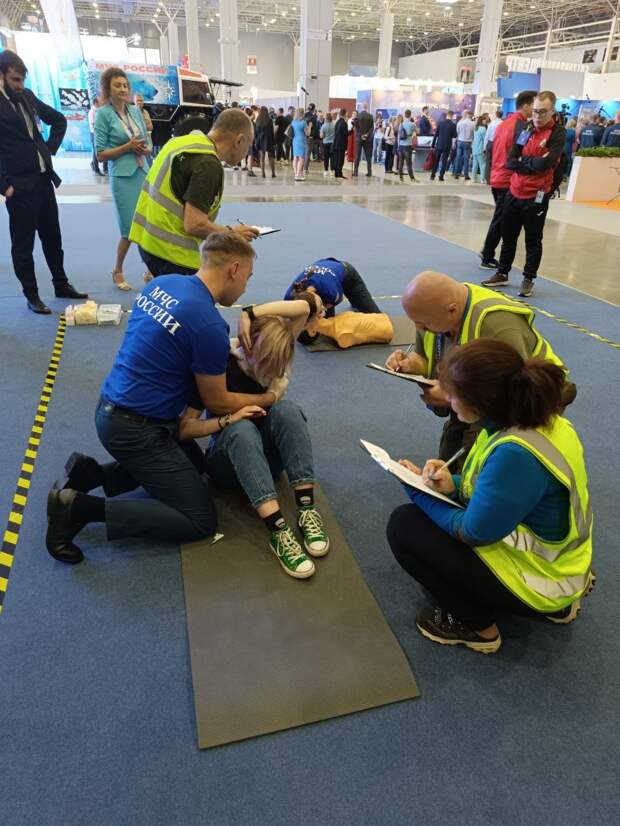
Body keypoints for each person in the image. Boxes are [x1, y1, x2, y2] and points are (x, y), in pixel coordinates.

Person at [46, 233, 281, 564]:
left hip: (110, 406)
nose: (245, 288)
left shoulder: (162, 284)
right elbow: (217, 403)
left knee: (196, 466)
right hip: (136, 430)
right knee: (199, 518)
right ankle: (79, 509)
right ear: (234, 269)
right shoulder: (209, 325)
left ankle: (92, 475)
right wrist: (271, 396)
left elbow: (169, 346)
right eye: (248, 277)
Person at [387, 338, 594, 654]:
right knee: (431, 516)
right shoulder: (537, 422)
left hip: (542, 581)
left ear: (478, 402)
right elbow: (501, 489)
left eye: (453, 396)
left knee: (404, 526)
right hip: (566, 566)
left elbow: (471, 531)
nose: (448, 401)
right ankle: (557, 605)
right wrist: (453, 484)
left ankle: (477, 627)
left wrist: (417, 490)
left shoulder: (515, 453)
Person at [180, 298, 330, 580]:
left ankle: (307, 509)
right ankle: (278, 531)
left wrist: (250, 313)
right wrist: (227, 419)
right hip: (228, 463)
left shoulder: (280, 349)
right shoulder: (218, 364)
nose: (272, 374)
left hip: (267, 461)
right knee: (242, 428)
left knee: (287, 410)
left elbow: (304, 307)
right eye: (266, 366)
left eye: (277, 368)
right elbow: (185, 428)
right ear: (248, 348)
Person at [385, 271, 570, 467]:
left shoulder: (497, 324)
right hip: (474, 398)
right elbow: (423, 357)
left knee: (483, 460)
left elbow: (514, 390)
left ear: (452, 310)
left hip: (532, 398)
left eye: (423, 324)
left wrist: (450, 394)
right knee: (451, 459)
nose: (419, 328)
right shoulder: (431, 313)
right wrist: (411, 364)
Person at [0, 50, 87, 314]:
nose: (20, 85)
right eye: (15, 80)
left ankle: (61, 284)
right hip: (19, 187)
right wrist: (4, 186)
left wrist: (48, 149)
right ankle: (32, 295)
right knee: (23, 246)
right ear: (1, 76)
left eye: (22, 80)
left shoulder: (27, 96)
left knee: (52, 238)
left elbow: (58, 120)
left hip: (43, 181)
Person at [129, 108, 258, 278]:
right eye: (249, 145)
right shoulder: (208, 164)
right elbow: (194, 224)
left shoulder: (179, 143)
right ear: (239, 140)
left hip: (147, 241)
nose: (247, 152)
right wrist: (233, 233)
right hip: (172, 254)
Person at [487, 91, 566, 298]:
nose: (537, 116)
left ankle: (528, 278)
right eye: (535, 111)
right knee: (508, 236)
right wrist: (531, 163)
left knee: (533, 240)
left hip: (537, 196)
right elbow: (511, 160)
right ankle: (502, 272)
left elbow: (546, 164)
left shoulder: (557, 133)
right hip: (514, 191)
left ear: (552, 111)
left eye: (543, 112)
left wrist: (525, 162)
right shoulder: (527, 128)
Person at [95, 67, 151, 291]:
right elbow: (100, 153)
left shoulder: (135, 111)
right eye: (117, 85)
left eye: (125, 85)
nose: (123, 89)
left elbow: (147, 142)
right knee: (128, 229)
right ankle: (117, 269)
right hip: (122, 177)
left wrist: (145, 149)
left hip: (143, 172)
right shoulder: (103, 114)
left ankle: (151, 268)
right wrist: (128, 147)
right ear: (108, 88)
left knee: (148, 225)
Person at [479, 90, 536, 271]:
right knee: (502, 220)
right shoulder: (522, 127)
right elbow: (523, 150)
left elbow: (492, 148)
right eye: (535, 106)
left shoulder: (503, 124)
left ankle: (487, 253)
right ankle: (487, 255)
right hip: (507, 179)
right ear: (526, 106)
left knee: (500, 217)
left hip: (498, 176)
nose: (536, 110)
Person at [284, 258, 380, 345]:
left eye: (321, 308)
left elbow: (339, 299)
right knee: (327, 324)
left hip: (347, 275)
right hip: (326, 273)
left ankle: (355, 298)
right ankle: (356, 301)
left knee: (377, 319)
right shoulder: (292, 297)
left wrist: (321, 312)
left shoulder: (330, 293)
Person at [430, 111, 457, 181]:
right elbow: (454, 136)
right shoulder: (453, 125)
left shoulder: (440, 123)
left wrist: (432, 145)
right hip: (447, 145)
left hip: (439, 144)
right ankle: (441, 176)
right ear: (452, 116)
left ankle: (432, 175)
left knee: (436, 160)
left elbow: (436, 135)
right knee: (444, 161)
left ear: (447, 115)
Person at [252, 106, 276, 179]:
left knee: (262, 158)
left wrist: (255, 141)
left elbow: (255, 133)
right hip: (269, 140)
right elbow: (272, 132)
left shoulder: (257, 120)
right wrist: (273, 142)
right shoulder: (269, 120)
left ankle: (263, 173)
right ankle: (273, 173)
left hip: (260, 140)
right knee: (271, 157)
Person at [353, 102, 374, 177]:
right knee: (368, 156)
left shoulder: (358, 116)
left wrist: (361, 134)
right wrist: (366, 134)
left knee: (357, 155)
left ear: (362, 107)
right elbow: (372, 128)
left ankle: (355, 172)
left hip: (359, 138)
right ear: (367, 107)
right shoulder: (370, 116)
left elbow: (356, 127)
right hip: (368, 139)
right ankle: (369, 172)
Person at [453, 109, 474, 180]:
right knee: (466, 159)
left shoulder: (460, 123)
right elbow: (473, 134)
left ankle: (456, 174)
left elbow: (456, 133)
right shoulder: (472, 124)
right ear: (470, 115)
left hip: (459, 141)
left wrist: (454, 142)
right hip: (468, 142)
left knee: (458, 158)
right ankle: (466, 175)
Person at [483, 108, 503, 184]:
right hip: (498, 144)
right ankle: (494, 178)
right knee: (496, 162)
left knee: (488, 161)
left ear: (496, 115)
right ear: (502, 115)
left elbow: (487, 136)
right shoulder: (503, 123)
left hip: (490, 143)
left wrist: (484, 147)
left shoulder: (491, 124)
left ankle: (487, 179)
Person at [397, 109, 417, 183]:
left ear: (404, 115)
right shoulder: (412, 124)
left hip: (401, 145)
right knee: (409, 163)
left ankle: (401, 177)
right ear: (410, 115)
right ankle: (412, 178)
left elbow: (399, 136)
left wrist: (398, 145)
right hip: (408, 145)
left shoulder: (401, 124)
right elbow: (418, 131)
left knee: (401, 162)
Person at [291, 108, 310, 182]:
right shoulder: (303, 122)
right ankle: (298, 175)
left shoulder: (293, 122)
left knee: (295, 158)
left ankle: (296, 174)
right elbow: (307, 133)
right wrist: (310, 127)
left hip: (295, 140)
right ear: (302, 113)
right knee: (301, 158)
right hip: (301, 140)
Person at [470, 114, 489, 183]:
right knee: (482, 164)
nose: (485, 121)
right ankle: (482, 179)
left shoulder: (476, 128)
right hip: (480, 149)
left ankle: (473, 178)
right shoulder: (483, 129)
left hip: (474, 148)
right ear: (482, 121)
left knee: (475, 164)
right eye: (484, 120)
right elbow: (485, 139)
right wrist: (485, 149)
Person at [88, 96, 104, 176]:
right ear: (96, 103)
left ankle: (93, 164)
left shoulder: (98, 110)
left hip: (99, 133)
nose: (101, 103)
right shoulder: (92, 112)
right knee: (96, 152)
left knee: (100, 151)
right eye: (100, 101)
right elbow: (93, 123)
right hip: (94, 134)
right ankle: (96, 169)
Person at [332, 108, 348, 179]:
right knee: (341, 160)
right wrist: (351, 131)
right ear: (344, 114)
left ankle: (336, 173)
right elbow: (345, 134)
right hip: (341, 144)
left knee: (336, 159)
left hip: (336, 143)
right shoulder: (344, 123)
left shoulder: (337, 122)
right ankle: (339, 173)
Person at [303, 102, 318, 173]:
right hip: (310, 137)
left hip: (302, 136)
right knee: (308, 153)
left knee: (303, 153)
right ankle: (305, 169)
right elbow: (314, 128)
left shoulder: (304, 115)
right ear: (314, 109)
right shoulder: (313, 117)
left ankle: (300, 167)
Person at [320, 111, 335, 176]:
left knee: (326, 157)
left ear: (326, 118)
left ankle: (326, 171)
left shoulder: (323, 126)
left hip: (325, 143)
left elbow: (321, 136)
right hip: (333, 143)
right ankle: (332, 171)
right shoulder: (334, 125)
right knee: (332, 157)